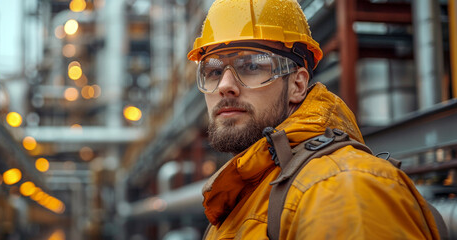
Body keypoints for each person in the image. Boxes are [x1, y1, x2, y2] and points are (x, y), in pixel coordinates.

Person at [187, 0, 441, 239]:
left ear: (297, 84)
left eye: (252, 66)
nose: (225, 85)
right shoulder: (238, 200)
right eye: (214, 71)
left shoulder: (343, 187)